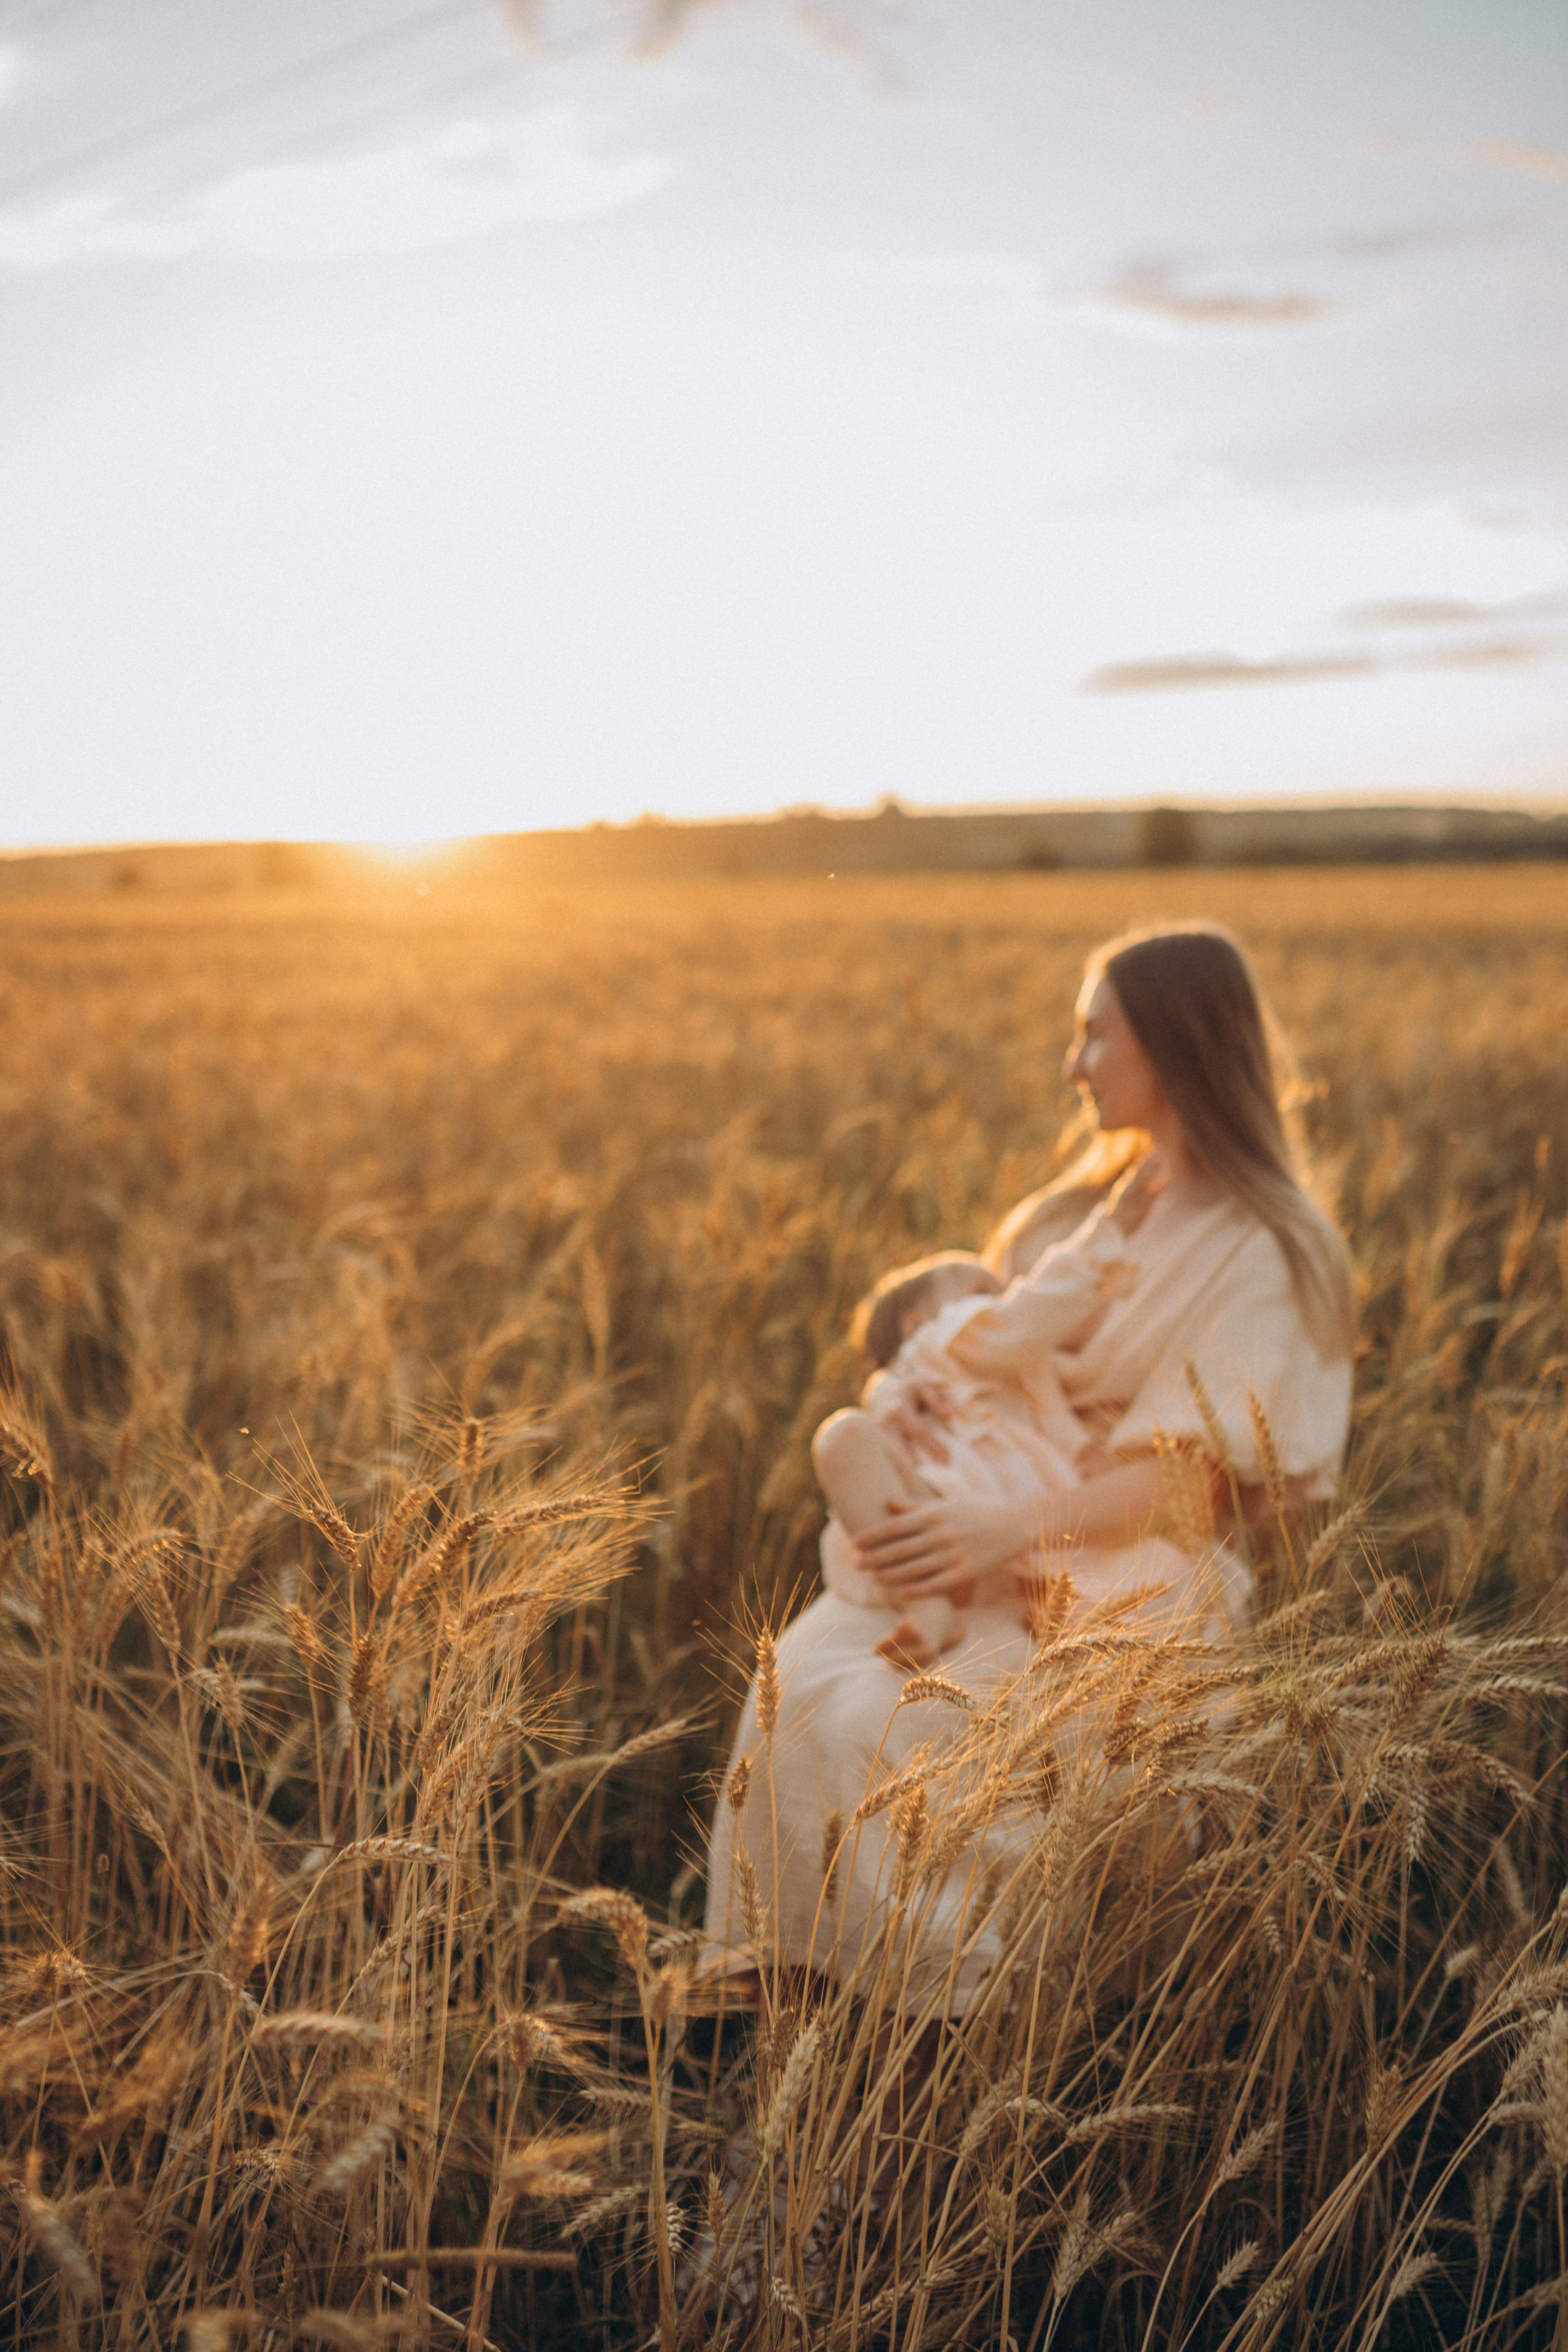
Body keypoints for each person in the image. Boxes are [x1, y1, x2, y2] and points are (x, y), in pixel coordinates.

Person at [704, 923, 1355, 2001]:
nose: (1071, 1065)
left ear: (1174, 1042)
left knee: (900, 1729)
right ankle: (806, 2013)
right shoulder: (1074, 1212)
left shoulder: (1270, 1252)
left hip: (1125, 1573)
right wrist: (914, 1401)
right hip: (976, 1526)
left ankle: (956, 2033)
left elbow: (1190, 1488)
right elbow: (978, 1350)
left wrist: (999, 1534)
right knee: (802, 1691)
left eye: (1094, 1036)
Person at [812, 1171, 1150, 1670]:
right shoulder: (943, 1342)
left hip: (1006, 1529)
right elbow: (1021, 1320)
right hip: (928, 1511)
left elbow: (1054, 1419)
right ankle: (927, 1601)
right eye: (982, 1290)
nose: (1003, 1298)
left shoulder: (1026, 1368)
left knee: (1074, 1574)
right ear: (918, 1324)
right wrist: (1107, 1231)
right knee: (841, 1437)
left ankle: (1046, 1602)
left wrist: (1087, 1454)